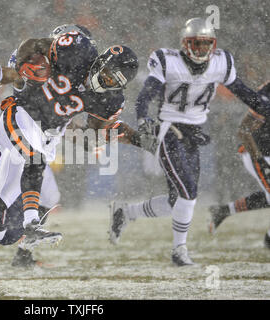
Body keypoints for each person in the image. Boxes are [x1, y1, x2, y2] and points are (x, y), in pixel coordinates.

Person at [0, 31, 141, 290]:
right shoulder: (50, 60)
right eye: (108, 73)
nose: (108, 80)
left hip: (42, 138)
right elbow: (7, 73)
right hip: (16, 119)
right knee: (35, 158)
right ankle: (31, 225)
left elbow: (93, 130)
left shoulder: (108, 97)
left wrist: (131, 137)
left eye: (115, 80)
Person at [109, 17, 269, 266]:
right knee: (188, 193)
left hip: (194, 132)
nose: (202, 49)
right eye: (197, 43)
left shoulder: (221, 63)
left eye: (207, 44)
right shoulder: (167, 60)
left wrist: (265, 108)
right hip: (168, 129)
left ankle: (125, 213)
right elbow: (145, 96)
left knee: (177, 201)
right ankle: (179, 251)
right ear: (185, 43)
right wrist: (142, 120)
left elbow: (246, 94)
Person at [208, 81, 270, 248]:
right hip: (258, 151)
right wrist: (260, 160)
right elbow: (244, 130)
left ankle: (225, 210)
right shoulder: (266, 96)